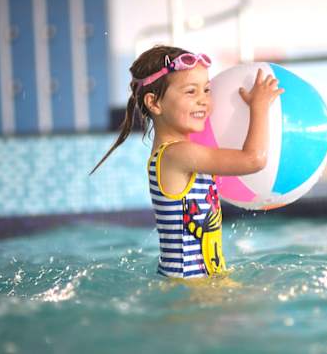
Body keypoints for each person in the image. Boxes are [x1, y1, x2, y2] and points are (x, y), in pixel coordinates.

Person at [90, 45, 284, 279]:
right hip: (189, 291)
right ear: (154, 103)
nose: (204, 100)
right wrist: (259, 107)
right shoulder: (177, 155)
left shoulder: (179, 154)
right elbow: (254, 160)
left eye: (207, 90)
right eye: (191, 92)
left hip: (197, 285)